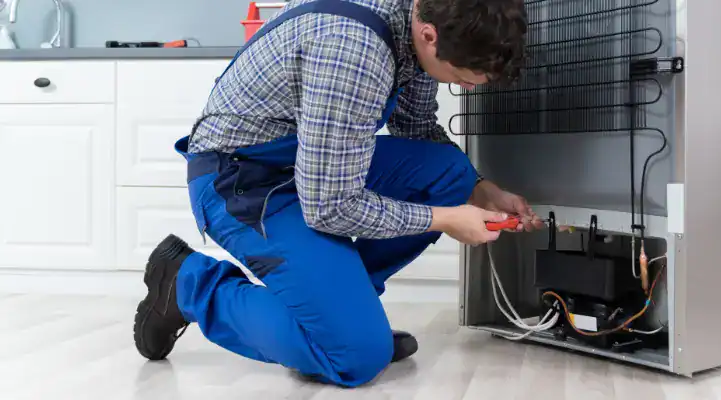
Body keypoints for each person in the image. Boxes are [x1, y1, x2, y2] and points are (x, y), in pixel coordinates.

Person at [132, 0, 539, 388]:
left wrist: (480, 189)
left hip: (308, 168)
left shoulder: (415, 21)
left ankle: (339, 313)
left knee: (452, 177)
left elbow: (415, 128)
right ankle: (188, 283)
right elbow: (330, 207)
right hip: (243, 181)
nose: (466, 88)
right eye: (463, 77)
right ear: (430, 35)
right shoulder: (354, 50)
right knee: (355, 356)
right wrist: (447, 218)